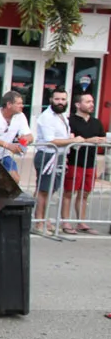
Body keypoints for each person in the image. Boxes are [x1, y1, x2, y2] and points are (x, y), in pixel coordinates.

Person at [33, 89, 77, 234]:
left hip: (59, 156)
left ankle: (44, 219)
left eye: (63, 99)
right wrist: (73, 140)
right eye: (57, 99)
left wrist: (68, 146)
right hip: (48, 156)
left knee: (51, 189)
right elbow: (51, 140)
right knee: (44, 190)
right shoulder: (47, 117)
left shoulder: (62, 116)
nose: (60, 102)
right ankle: (39, 223)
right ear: (51, 100)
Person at [61, 93, 105, 234]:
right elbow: (71, 141)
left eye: (92, 101)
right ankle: (65, 222)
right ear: (78, 105)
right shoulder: (70, 121)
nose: (91, 104)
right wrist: (88, 140)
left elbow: (102, 138)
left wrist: (102, 141)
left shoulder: (96, 122)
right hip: (74, 162)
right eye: (87, 102)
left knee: (84, 194)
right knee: (69, 192)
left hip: (90, 163)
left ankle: (81, 222)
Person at [0, 91, 32, 183]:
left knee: (14, 178)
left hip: (3, 156)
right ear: (9, 104)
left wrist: (23, 141)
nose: (22, 106)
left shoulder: (20, 116)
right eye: (19, 103)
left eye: (22, 103)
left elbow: (30, 136)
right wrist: (8, 145)